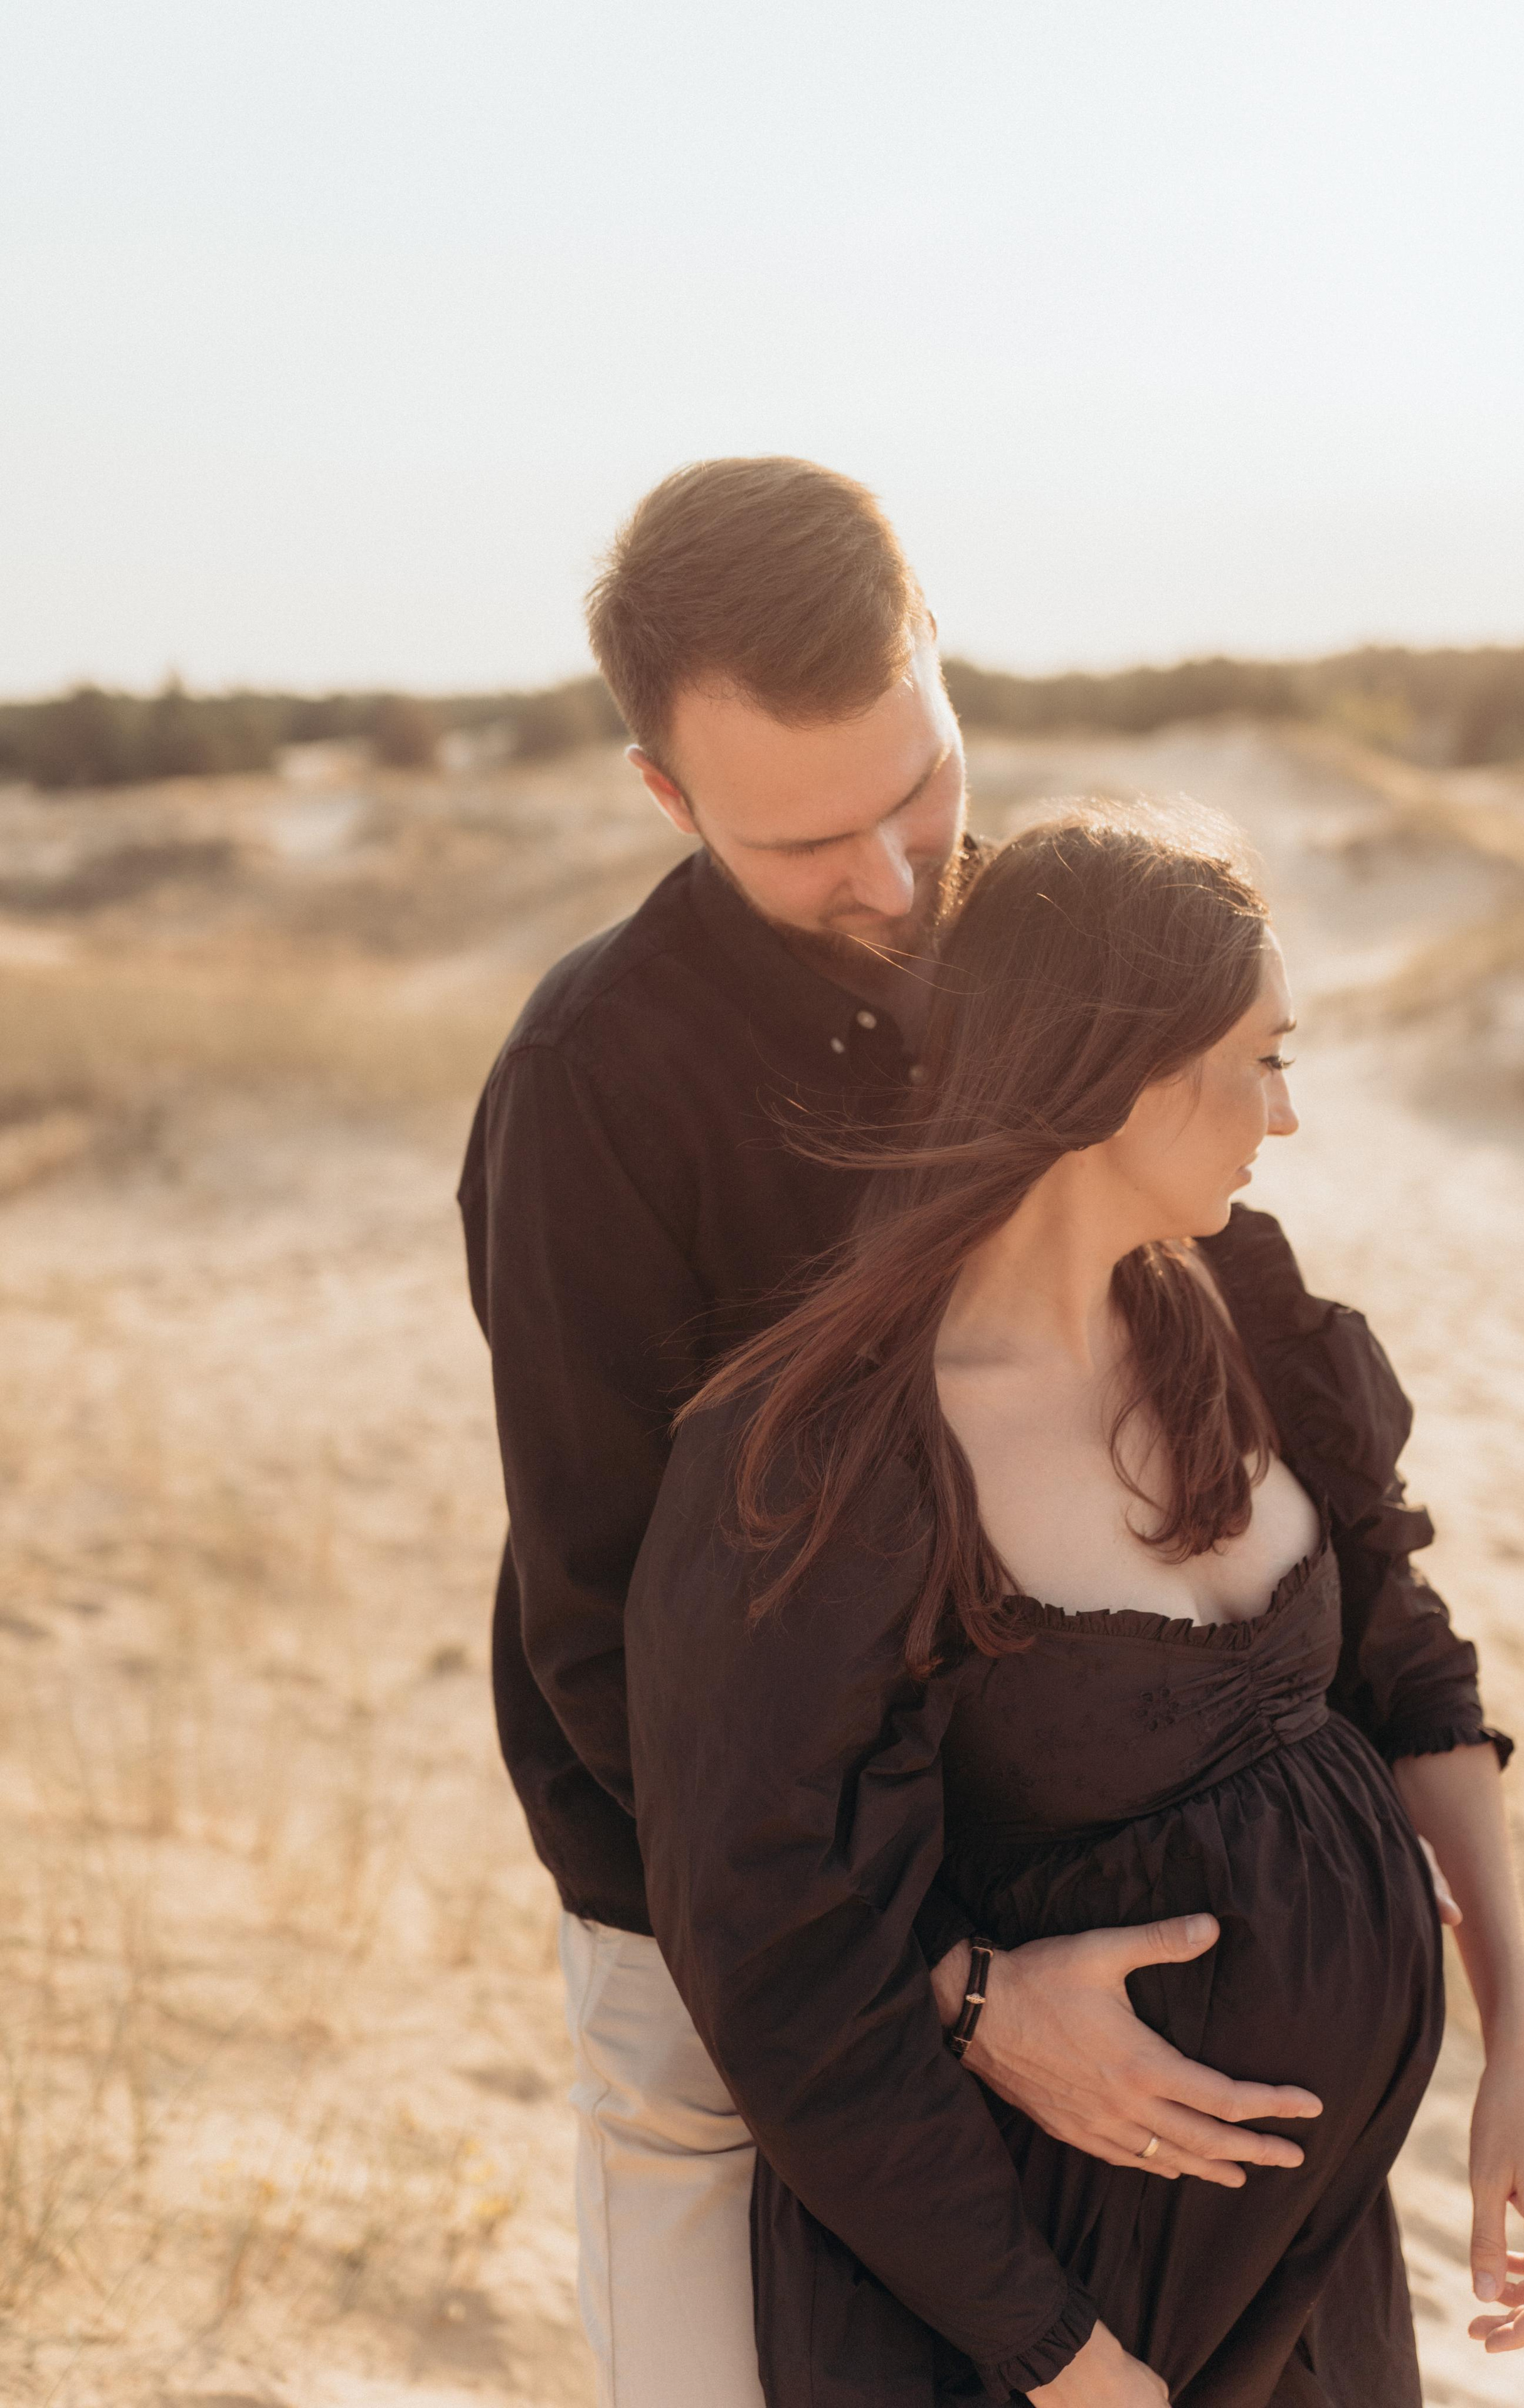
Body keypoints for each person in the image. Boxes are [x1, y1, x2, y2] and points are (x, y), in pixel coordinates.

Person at [458, 461, 1341, 2408]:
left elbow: (1216, 1308)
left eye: (916, 787)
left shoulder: (1028, 941)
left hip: (1049, 1876)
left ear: (939, 661)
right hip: (708, 1923)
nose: (887, 876)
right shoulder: (588, 1089)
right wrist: (945, 1991)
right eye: (802, 841)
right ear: (664, 797)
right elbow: (611, 1640)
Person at [625, 813, 1524, 2406]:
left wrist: (1521, 2069)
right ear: (1122, 1070)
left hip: (1310, 2253)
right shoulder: (836, 1449)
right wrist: (1069, 2367)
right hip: (1040, 2314)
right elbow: (776, 1954)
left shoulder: (1238, 1304)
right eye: (1258, 1061)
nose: (1282, 1118)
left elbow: (1407, 1668)